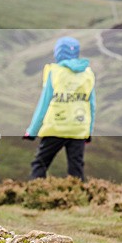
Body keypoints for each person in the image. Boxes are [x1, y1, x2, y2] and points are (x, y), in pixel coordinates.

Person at [23, 37, 96, 181]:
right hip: (78, 129)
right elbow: (92, 106)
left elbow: (43, 104)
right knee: (76, 169)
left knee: (40, 164)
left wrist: (32, 131)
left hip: (55, 128)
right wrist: (88, 132)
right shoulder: (88, 74)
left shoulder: (54, 72)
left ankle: (35, 195)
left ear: (58, 53)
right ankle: (77, 198)